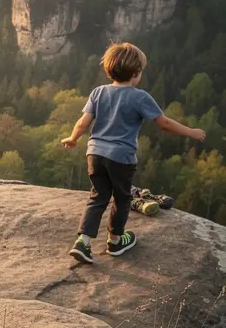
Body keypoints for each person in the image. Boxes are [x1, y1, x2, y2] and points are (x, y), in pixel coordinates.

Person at [62, 41, 205, 264]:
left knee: (98, 197)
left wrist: (72, 138)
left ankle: (83, 242)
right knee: (122, 197)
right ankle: (116, 241)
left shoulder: (98, 92)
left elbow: (83, 122)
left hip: (95, 153)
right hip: (121, 157)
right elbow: (164, 123)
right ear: (136, 73)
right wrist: (192, 132)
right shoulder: (140, 97)